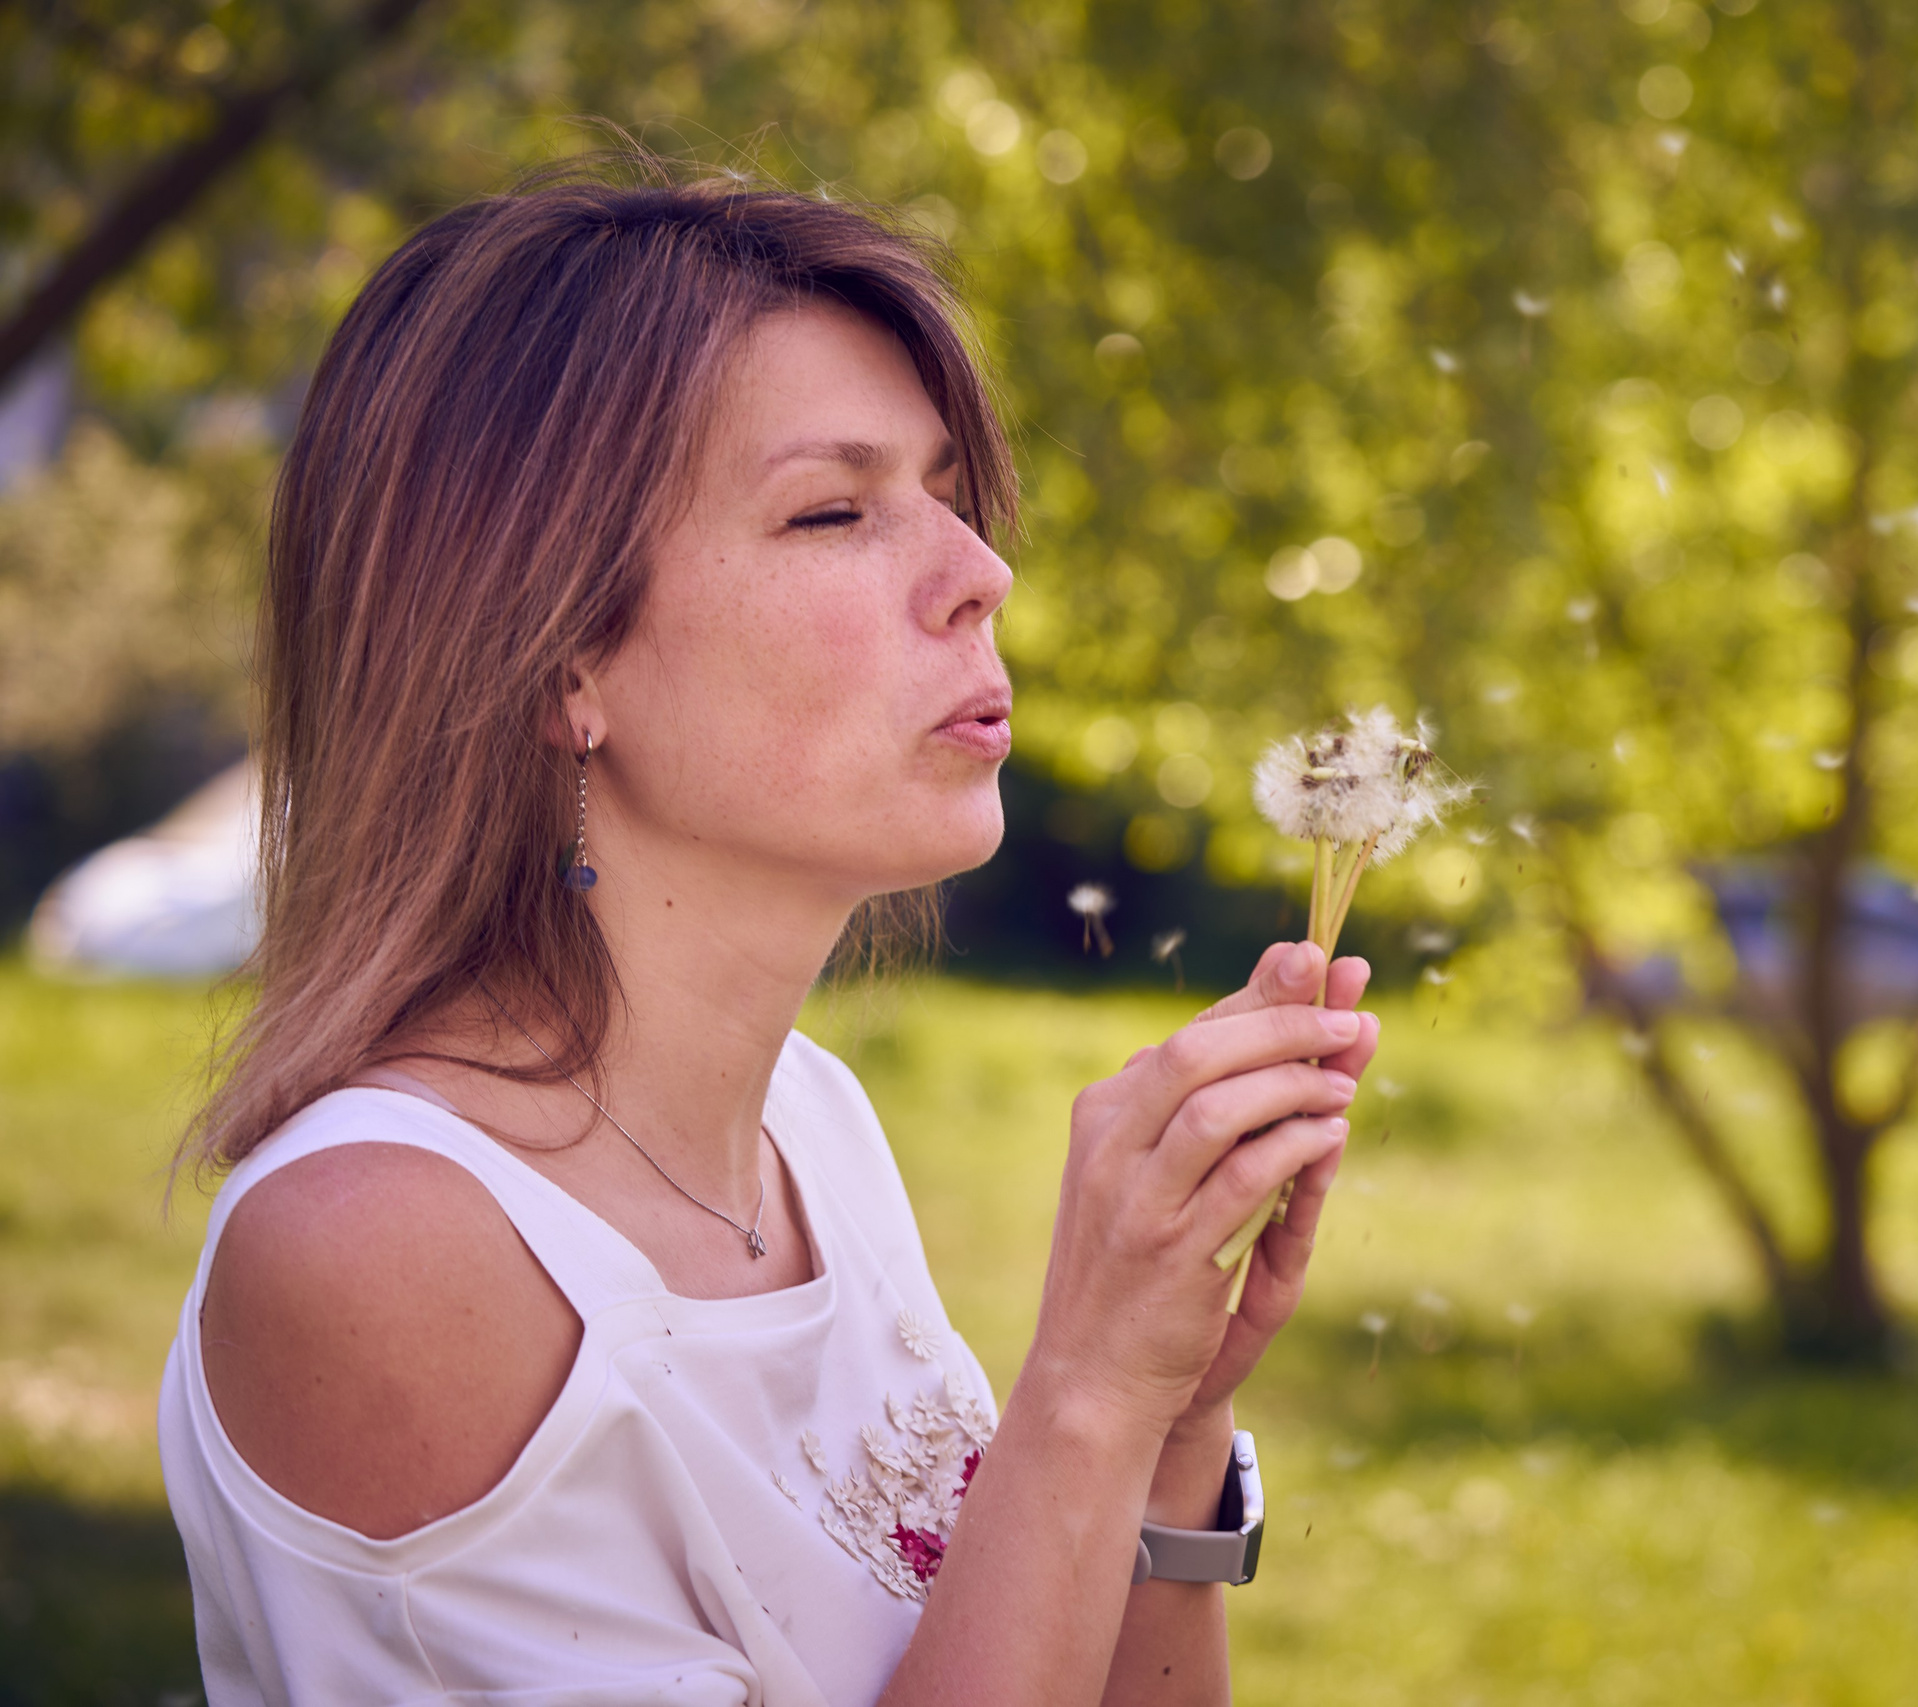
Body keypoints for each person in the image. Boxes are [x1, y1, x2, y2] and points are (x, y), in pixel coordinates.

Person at [157, 159, 1374, 1707]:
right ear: (560, 660)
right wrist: (1076, 1394)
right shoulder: (386, 1250)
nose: (982, 574)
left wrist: (1166, 1415)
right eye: (833, 511)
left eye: (946, 496)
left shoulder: (814, 1132)